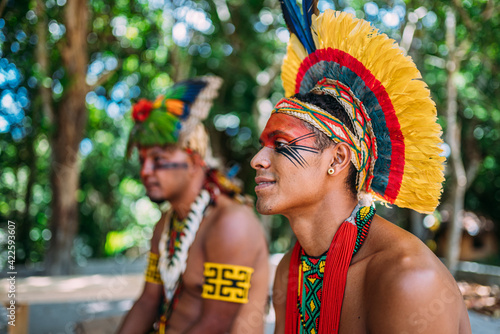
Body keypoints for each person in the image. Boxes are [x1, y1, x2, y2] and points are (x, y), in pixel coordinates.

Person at [250, 2, 471, 333]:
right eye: (262, 146)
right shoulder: (291, 268)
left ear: (338, 159)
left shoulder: (407, 277)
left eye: (281, 146)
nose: (257, 160)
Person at [117, 76, 269, 334]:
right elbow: (147, 302)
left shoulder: (231, 224)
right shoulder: (166, 225)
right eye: (142, 160)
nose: (145, 171)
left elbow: (217, 325)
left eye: (158, 159)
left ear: (194, 159)